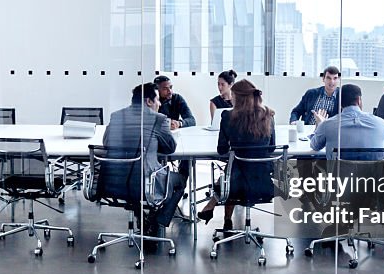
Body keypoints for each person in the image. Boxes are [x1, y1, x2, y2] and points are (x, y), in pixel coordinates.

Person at [101, 83, 185, 236]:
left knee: (135, 181)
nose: (160, 104)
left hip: (115, 182)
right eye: (158, 100)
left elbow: (106, 143)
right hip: (145, 182)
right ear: (148, 101)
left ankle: (142, 216)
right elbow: (170, 148)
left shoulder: (116, 116)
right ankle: (158, 219)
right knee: (180, 181)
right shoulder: (159, 119)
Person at [196, 79, 276, 232]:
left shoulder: (228, 116)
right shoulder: (268, 115)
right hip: (264, 182)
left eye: (232, 95)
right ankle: (218, 212)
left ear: (238, 98)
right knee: (234, 171)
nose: (230, 98)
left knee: (231, 172)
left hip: (236, 182)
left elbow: (221, 149)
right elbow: (271, 148)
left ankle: (221, 214)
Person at [310, 84, 384, 160]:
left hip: (340, 174)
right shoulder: (381, 124)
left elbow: (315, 146)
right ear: (359, 100)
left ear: (340, 103)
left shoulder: (327, 125)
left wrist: (319, 124)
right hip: (374, 174)